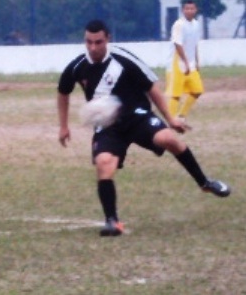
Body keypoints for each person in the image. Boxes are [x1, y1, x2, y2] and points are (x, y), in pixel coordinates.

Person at [57, 20, 231, 237]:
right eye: (88, 42)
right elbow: (63, 91)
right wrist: (63, 126)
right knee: (103, 164)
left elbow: (151, 88)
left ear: (108, 39)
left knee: (169, 139)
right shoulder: (78, 66)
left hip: (137, 117)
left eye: (98, 42)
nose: (93, 48)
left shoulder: (124, 59)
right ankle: (112, 221)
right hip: (108, 126)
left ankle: (205, 182)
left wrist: (171, 118)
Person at [166, 0, 203, 121]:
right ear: (183, 10)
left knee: (197, 90)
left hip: (191, 64)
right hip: (177, 63)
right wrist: (185, 62)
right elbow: (178, 44)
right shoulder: (179, 25)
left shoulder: (196, 24)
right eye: (187, 9)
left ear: (196, 10)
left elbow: (195, 44)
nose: (190, 11)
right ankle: (170, 121)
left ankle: (181, 115)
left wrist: (197, 61)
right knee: (176, 95)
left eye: (192, 8)